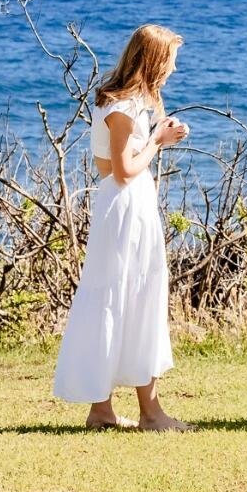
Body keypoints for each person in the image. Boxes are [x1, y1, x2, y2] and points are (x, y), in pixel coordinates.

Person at [51, 23, 193, 430]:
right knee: (127, 295)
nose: (173, 71)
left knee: (130, 295)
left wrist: (162, 133)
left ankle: (105, 410)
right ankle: (146, 412)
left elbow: (118, 165)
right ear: (153, 61)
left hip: (127, 203)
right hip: (126, 204)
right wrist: (158, 141)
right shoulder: (122, 107)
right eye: (170, 62)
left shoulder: (126, 103)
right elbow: (125, 169)